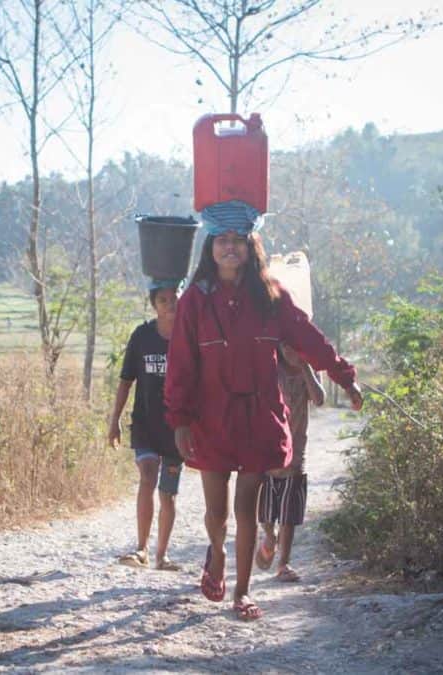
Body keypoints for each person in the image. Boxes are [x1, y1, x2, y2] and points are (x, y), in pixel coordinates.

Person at [164, 199, 363, 621]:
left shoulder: (272, 297)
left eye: (239, 240)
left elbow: (309, 338)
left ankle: (241, 592)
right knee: (217, 511)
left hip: (258, 417)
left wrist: (344, 375)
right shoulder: (193, 303)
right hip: (210, 418)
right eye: (222, 240)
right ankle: (215, 552)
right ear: (210, 245)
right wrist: (179, 418)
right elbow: (180, 364)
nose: (230, 247)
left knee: (247, 509)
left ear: (251, 245)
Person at [108, 279, 183, 572]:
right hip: (145, 425)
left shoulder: (189, 337)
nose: (170, 305)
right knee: (147, 476)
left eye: (174, 298)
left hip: (178, 428)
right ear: (154, 305)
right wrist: (114, 420)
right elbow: (126, 381)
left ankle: (162, 555)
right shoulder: (142, 336)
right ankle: (141, 548)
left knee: (168, 492)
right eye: (163, 300)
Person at [255, 343, 325, 582]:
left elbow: (319, 399)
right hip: (268, 448)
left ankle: (284, 563)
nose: (291, 352)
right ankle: (269, 535)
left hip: (296, 451)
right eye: (286, 346)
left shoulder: (309, 370)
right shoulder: (271, 368)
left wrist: (305, 366)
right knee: (266, 510)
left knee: (289, 511)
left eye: (296, 347)